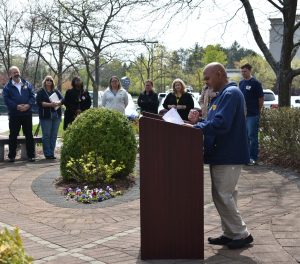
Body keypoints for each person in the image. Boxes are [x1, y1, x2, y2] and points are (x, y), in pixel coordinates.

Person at [188, 62, 253, 249]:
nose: (206, 82)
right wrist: (199, 121)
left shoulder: (231, 94)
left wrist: (195, 127)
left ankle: (241, 234)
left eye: (207, 78)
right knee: (225, 196)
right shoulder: (222, 95)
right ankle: (231, 233)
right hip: (222, 154)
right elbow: (214, 121)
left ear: (219, 74)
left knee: (223, 196)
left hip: (229, 154)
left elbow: (221, 124)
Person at [2, 66, 36, 162]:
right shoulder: (7, 87)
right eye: (14, 72)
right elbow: (7, 100)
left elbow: (33, 96)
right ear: (10, 75)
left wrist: (28, 105)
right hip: (14, 115)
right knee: (13, 135)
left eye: (17, 72)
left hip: (27, 114)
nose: (16, 73)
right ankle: (11, 156)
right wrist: (17, 106)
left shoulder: (27, 84)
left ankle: (31, 155)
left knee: (29, 134)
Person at [239, 63, 264, 166]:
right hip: (242, 115)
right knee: (244, 137)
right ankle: (245, 157)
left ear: (250, 71)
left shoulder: (256, 83)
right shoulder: (241, 83)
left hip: (253, 115)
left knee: (252, 136)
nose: (243, 73)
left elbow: (261, 99)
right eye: (242, 71)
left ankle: (253, 158)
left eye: (244, 71)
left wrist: (258, 110)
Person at [36, 76, 63, 159]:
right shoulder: (41, 91)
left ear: (52, 82)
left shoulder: (56, 91)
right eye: (47, 80)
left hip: (56, 116)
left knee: (54, 135)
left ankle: (52, 152)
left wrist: (58, 102)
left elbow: (62, 99)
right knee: (46, 135)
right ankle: (47, 154)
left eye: (50, 80)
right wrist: (50, 104)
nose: (49, 81)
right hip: (46, 116)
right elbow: (39, 103)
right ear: (44, 81)